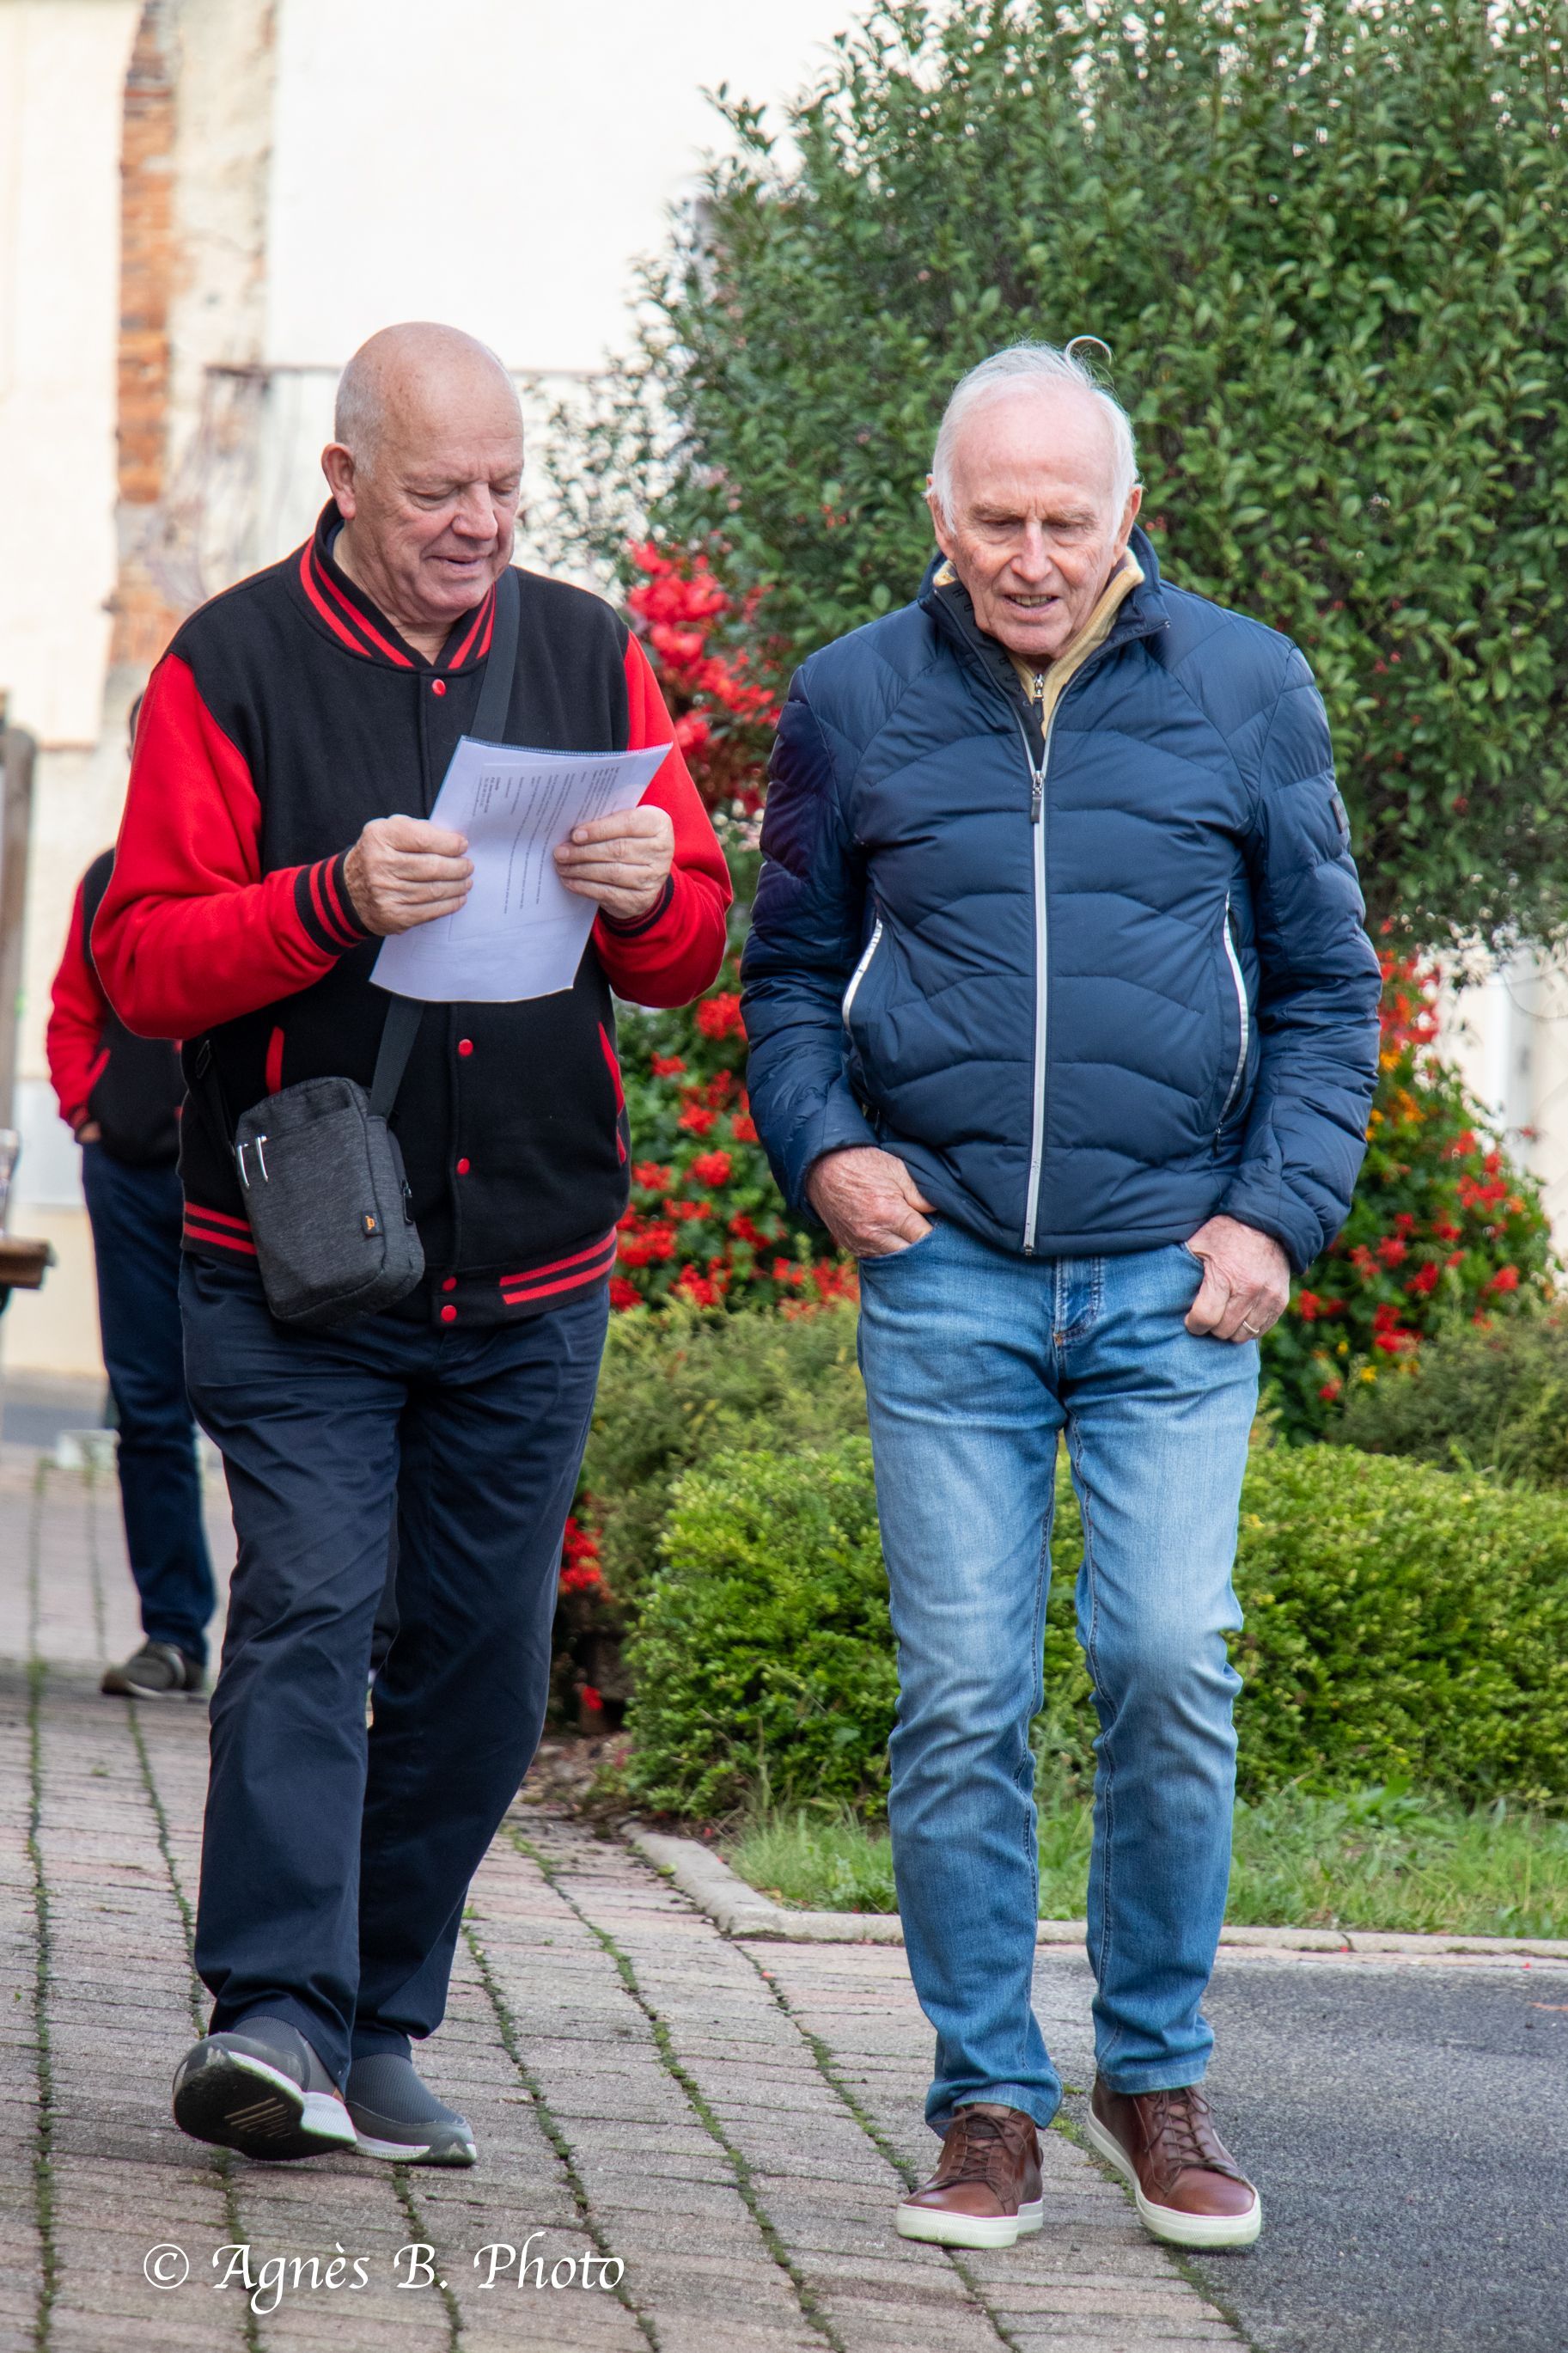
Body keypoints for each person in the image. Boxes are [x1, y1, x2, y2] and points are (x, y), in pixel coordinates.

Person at [741, 343, 1380, 2253]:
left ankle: (1154, 2075)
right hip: (945, 1275)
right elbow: (787, 977)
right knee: (961, 1693)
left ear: (1127, 519)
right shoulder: (852, 696)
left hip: (1174, 1279)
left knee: (1171, 1655)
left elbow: (1327, 987)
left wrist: (1273, 1218)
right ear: (941, 520)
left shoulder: (1245, 686)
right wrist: (825, 1151)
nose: (1032, 556)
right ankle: (986, 2102)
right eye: (999, 520)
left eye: (1066, 521)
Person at [94, 322, 729, 2168]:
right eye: (442, 489)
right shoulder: (228, 666)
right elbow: (143, 962)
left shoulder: (591, 651)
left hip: (532, 1266)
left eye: (506, 486)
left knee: (483, 1665)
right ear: (345, 478)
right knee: (307, 1608)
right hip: (294, 1267)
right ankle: (271, 2013)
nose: (482, 521)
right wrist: (330, 900)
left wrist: (652, 896)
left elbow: (692, 946)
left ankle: (373, 2016)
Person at [46, 699, 217, 1697]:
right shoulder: (108, 879)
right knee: (149, 1407)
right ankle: (175, 1633)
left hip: (259, 1187)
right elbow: (74, 1013)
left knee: (289, 1410)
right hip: (133, 1178)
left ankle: (308, 1645)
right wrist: (88, 1109)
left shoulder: (278, 871)